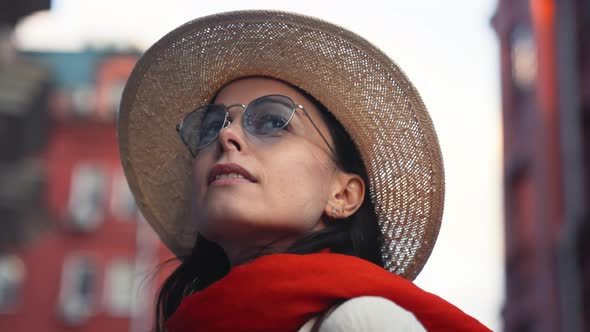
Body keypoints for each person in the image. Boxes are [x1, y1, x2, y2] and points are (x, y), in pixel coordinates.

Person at [118, 10, 490, 332]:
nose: (227, 134)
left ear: (342, 196)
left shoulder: (363, 321)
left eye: (273, 122)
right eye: (209, 127)